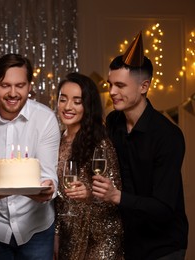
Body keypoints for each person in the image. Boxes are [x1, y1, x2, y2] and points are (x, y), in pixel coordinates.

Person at [92, 32, 188, 259]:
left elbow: (164, 207)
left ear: (144, 86)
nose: (112, 92)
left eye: (120, 85)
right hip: (128, 241)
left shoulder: (168, 136)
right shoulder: (114, 122)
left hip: (163, 246)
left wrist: (116, 197)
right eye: (110, 84)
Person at [0, 53, 60, 259]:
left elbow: (49, 175)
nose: (13, 93)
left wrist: (48, 188)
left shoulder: (46, 119)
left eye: (20, 85)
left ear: (29, 86)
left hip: (36, 226)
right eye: (5, 85)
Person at [53, 72, 123, 260]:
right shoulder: (56, 141)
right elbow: (58, 200)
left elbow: (115, 194)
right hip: (69, 236)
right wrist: (57, 233)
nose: (68, 107)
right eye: (63, 99)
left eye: (77, 101)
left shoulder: (100, 144)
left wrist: (89, 194)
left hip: (100, 237)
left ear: (88, 105)